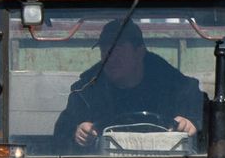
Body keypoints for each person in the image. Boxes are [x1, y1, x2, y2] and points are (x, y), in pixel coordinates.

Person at [52, 19, 206, 149]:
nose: (110, 57)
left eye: (118, 50)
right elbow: (59, 140)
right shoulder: (85, 93)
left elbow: (211, 126)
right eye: (104, 50)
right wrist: (77, 133)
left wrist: (193, 123)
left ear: (140, 52)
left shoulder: (178, 88)